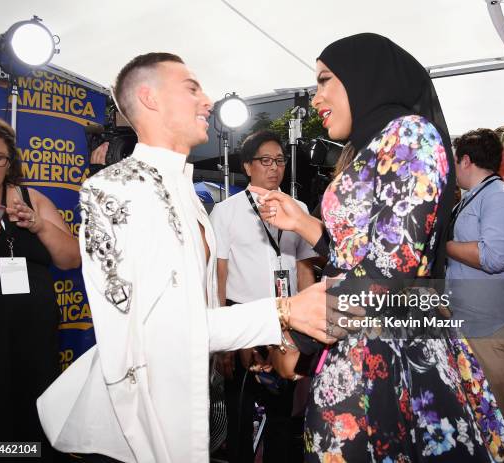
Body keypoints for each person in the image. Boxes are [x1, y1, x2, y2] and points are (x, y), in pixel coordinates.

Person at [36, 52, 336, 463]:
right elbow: (148, 329)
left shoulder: (188, 196)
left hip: (189, 399)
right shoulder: (114, 190)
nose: (208, 101)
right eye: (192, 88)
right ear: (150, 98)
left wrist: (252, 340)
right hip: (136, 427)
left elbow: (196, 307)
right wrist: (280, 313)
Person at [251, 33, 504, 462]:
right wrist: (303, 224)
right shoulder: (370, 148)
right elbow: (358, 254)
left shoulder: (411, 135)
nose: (316, 97)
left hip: (394, 347)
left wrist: (297, 339)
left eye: (324, 80)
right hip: (358, 334)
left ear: (363, 77)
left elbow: (392, 265)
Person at [0, 113, 81, 460]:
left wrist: (39, 227)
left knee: (33, 421)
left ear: (9, 161)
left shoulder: (31, 199)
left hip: (33, 342)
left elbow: (71, 259)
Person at [210, 130, 317, 462]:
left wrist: (310, 327)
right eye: (265, 160)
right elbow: (219, 276)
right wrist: (223, 340)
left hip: (289, 322)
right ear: (247, 166)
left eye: (280, 160)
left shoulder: (298, 209)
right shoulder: (226, 212)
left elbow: (304, 270)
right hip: (243, 322)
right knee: (240, 413)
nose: (274, 167)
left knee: (285, 416)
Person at [446, 128, 504, 439]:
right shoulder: (472, 199)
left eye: (454, 161)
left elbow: (493, 256)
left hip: (494, 332)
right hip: (472, 329)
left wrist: (445, 245)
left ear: (466, 160)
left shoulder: (501, 197)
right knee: (473, 430)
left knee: (494, 431)